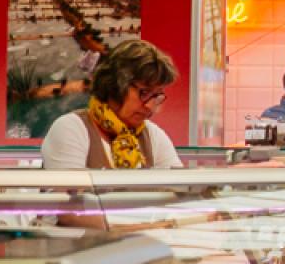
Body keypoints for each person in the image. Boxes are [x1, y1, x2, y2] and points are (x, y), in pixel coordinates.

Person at [40, 39, 183, 170]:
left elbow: (181, 190)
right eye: (144, 93)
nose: (150, 106)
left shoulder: (153, 135)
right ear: (114, 85)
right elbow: (70, 195)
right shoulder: (71, 129)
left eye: (157, 96)